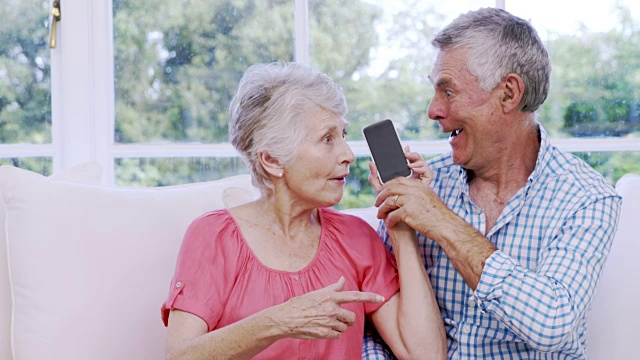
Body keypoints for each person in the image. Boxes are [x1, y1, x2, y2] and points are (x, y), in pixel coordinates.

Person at [363, 7, 622, 359]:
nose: (433, 110)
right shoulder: (423, 187)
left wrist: (438, 219)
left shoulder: (587, 198)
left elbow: (552, 322)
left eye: (448, 91)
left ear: (509, 93)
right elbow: (373, 323)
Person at [161, 61, 446, 360]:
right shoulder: (214, 237)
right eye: (327, 139)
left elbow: (425, 355)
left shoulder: (356, 238)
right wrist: (279, 321)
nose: (348, 155)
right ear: (272, 160)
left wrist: (401, 225)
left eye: (343, 135)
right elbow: (180, 356)